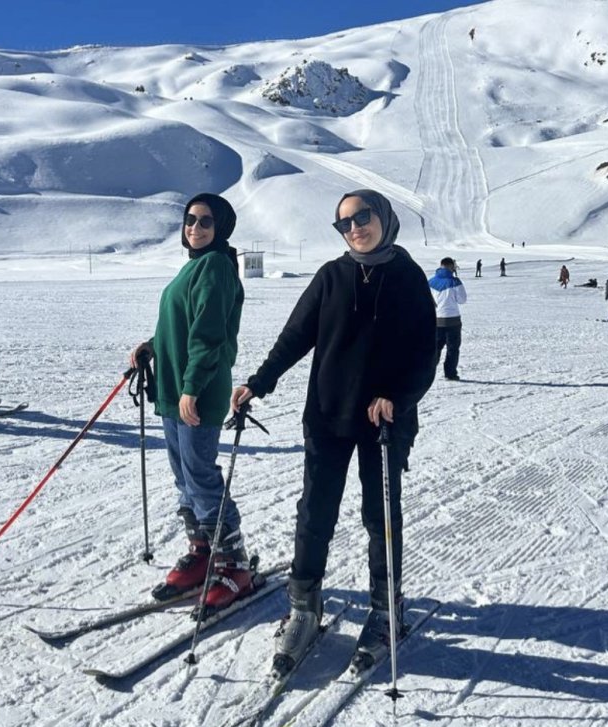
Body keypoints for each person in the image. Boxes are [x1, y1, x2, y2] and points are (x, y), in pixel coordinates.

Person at [230, 189, 436, 670]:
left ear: (383, 217)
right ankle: (304, 607)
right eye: (344, 223)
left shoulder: (407, 278)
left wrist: (397, 399)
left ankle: (387, 609)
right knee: (314, 513)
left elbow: (425, 355)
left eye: (362, 217)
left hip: (383, 421)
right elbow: (296, 336)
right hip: (326, 416)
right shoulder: (331, 276)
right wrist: (259, 382)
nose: (355, 228)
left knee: (379, 515)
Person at [131, 193, 251, 612]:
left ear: (221, 228)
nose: (195, 228)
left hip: (194, 391)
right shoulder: (194, 266)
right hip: (172, 388)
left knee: (200, 475)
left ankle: (234, 563)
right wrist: (151, 346)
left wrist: (193, 386)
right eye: (190, 220)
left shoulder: (217, 266)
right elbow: (178, 325)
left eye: (205, 222)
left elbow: (208, 334)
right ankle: (203, 551)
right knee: (184, 477)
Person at [430, 257, 467, 381]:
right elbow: (462, 300)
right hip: (453, 320)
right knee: (452, 348)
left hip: (437, 320)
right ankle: (450, 373)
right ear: (451, 266)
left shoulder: (431, 281)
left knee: (435, 348)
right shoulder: (454, 281)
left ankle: (428, 372)